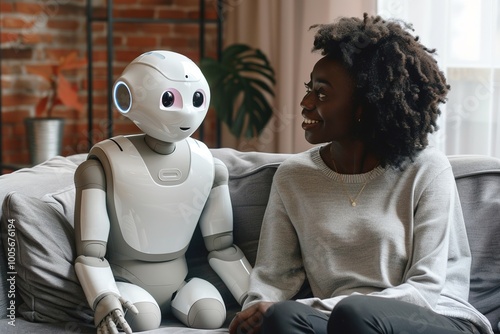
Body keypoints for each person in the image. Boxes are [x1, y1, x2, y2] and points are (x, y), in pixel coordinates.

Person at [229, 13, 494, 334]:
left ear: (364, 106)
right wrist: (257, 310)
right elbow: (274, 275)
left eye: (322, 93)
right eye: (309, 89)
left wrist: (316, 307)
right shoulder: (294, 177)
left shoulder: (426, 169)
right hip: (340, 320)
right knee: (282, 319)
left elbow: (427, 287)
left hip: (435, 316)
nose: (305, 102)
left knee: (357, 312)